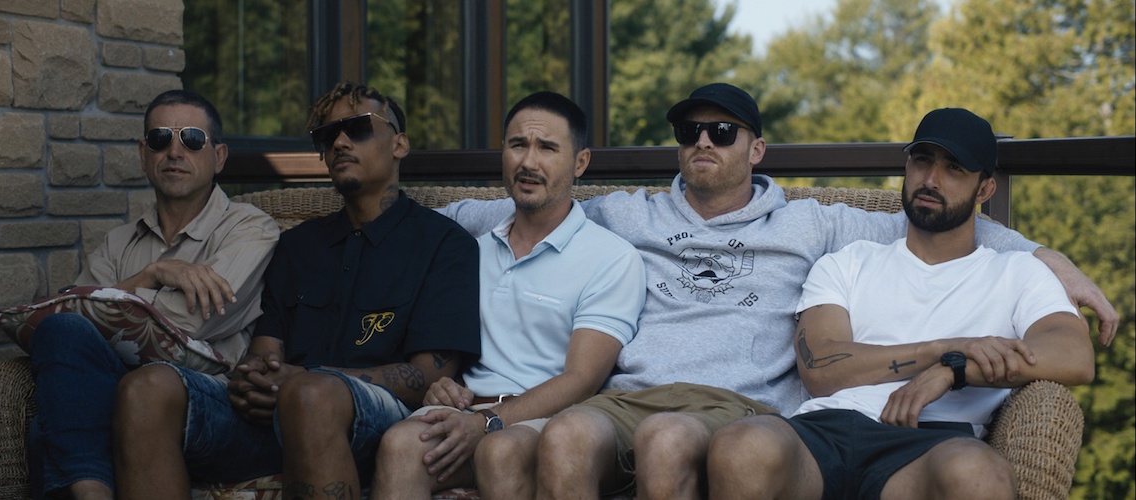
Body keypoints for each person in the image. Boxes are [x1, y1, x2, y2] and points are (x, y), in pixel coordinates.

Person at [439, 83, 1117, 499]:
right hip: (642, 397)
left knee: (672, 440)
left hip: (738, 405)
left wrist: (1048, 258)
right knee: (554, 440)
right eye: (690, 133)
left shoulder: (815, 225)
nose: (704, 142)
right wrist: (406, 218)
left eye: (722, 132)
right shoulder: (622, 214)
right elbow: (508, 210)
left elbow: (944, 228)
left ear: (756, 149)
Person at [113, 82, 481, 499]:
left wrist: (305, 380)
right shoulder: (296, 246)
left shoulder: (444, 244)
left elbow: (431, 375)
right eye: (328, 134)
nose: (340, 142)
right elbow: (266, 350)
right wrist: (257, 379)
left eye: (358, 128)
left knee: (310, 395)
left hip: (382, 425)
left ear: (400, 144)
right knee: (145, 388)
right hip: (274, 418)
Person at [706, 107, 1095, 499]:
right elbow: (821, 369)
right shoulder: (848, 262)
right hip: (827, 432)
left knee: (978, 473)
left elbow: (1074, 355)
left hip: (934, 442)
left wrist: (954, 371)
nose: (931, 179)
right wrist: (944, 350)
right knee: (741, 445)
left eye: (954, 168)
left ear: (984, 190)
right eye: (922, 160)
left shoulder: (1017, 272)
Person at [371, 92, 645, 499]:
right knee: (400, 444)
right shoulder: (469, 249)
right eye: (518, 145)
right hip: (466, 409)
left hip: (549, 420)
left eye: (547, 148)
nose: (528, 162)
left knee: (501, 451)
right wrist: (445, 386)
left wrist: (489, 421)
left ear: (580, 162)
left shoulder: (611, 257)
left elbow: (582, 379)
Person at [25, 89, 280, 499]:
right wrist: (153, 274)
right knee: (60, 332)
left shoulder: (250, 228)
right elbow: (66, 316)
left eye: (192, 139)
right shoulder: (118, 243)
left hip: (213, 402)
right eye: (161, 139)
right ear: (144, 155)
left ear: (218, 156)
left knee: (53, 428)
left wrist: (113, 305)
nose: (175, 152)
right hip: (117, 391)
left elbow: (192, 321)